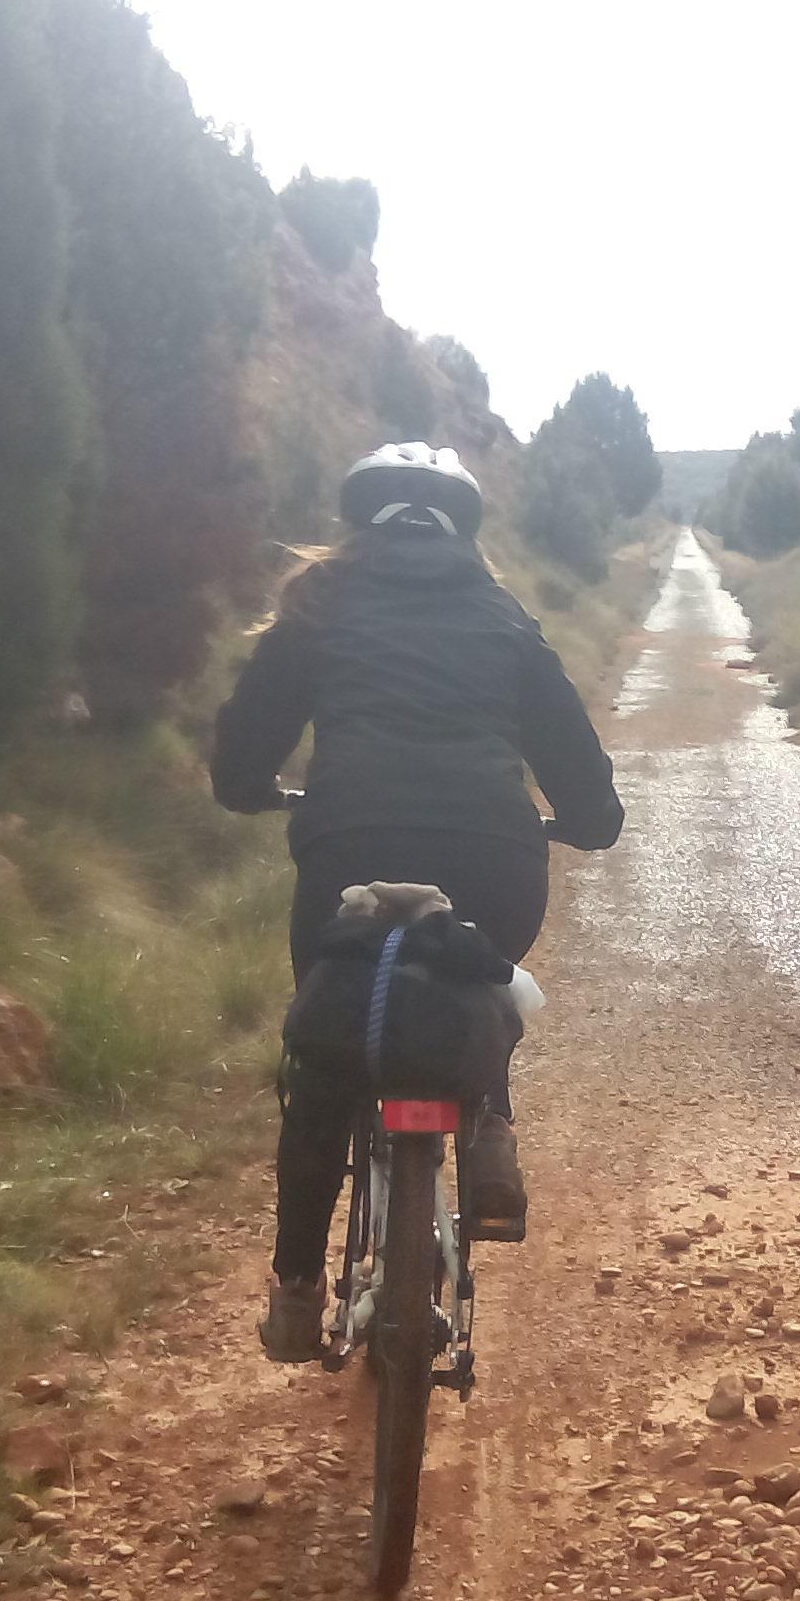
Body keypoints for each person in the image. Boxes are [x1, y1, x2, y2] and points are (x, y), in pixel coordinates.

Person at [210, 443, 622, 1362]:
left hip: (345, 849)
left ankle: (293, 1290)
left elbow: (242, 754)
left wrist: (250, 791)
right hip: (494, 855)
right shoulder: (504, 618)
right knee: (475, 967)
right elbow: (580, 772)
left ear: (359, 528)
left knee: (324, 1053)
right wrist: (589, 823)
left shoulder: (316, 611)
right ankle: (492, 1130)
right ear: (462, 534)